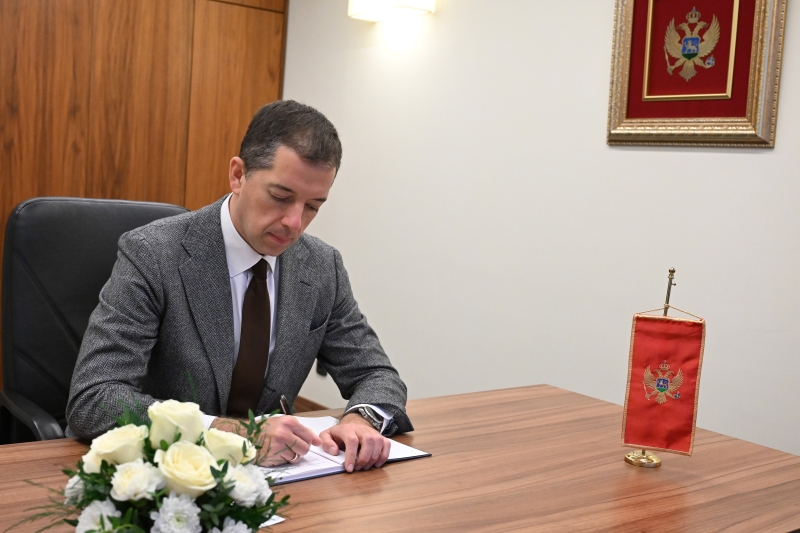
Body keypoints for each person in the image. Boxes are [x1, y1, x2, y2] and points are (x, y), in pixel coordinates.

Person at [67, 100, 412, 473]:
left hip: (278, 476)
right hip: (164, 472)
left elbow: (375, 374)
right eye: (280, 197)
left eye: (313, 206)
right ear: (238, 174)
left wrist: (361, 420)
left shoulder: (321, 266)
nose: (295, 223)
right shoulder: (153, 253)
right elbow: (96, 397)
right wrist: (231, 433)